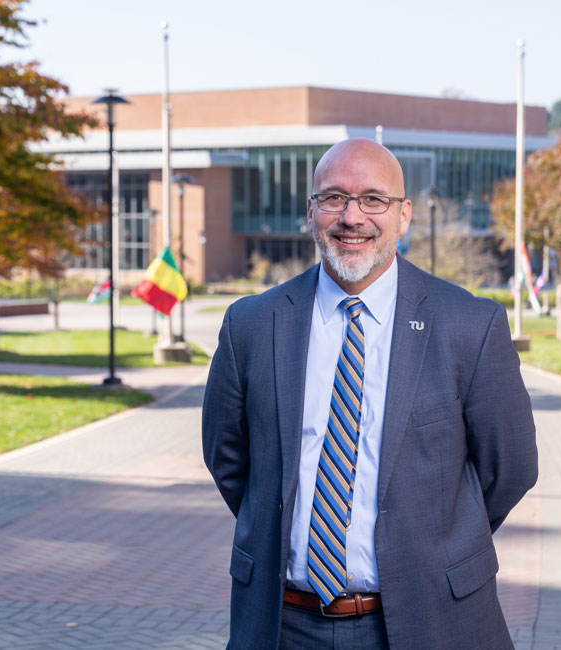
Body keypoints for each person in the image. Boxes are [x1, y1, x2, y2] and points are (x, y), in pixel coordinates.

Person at [201, 138, 538, 650]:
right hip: (282, 624)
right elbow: (229, 458)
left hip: (427, 620)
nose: (352, 217)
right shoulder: (252, 324)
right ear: (312, 212)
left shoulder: (469, 325)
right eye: (334, 198)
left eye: (373, 200)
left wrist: (434, 542)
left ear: (403, 217)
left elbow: (509, 467)